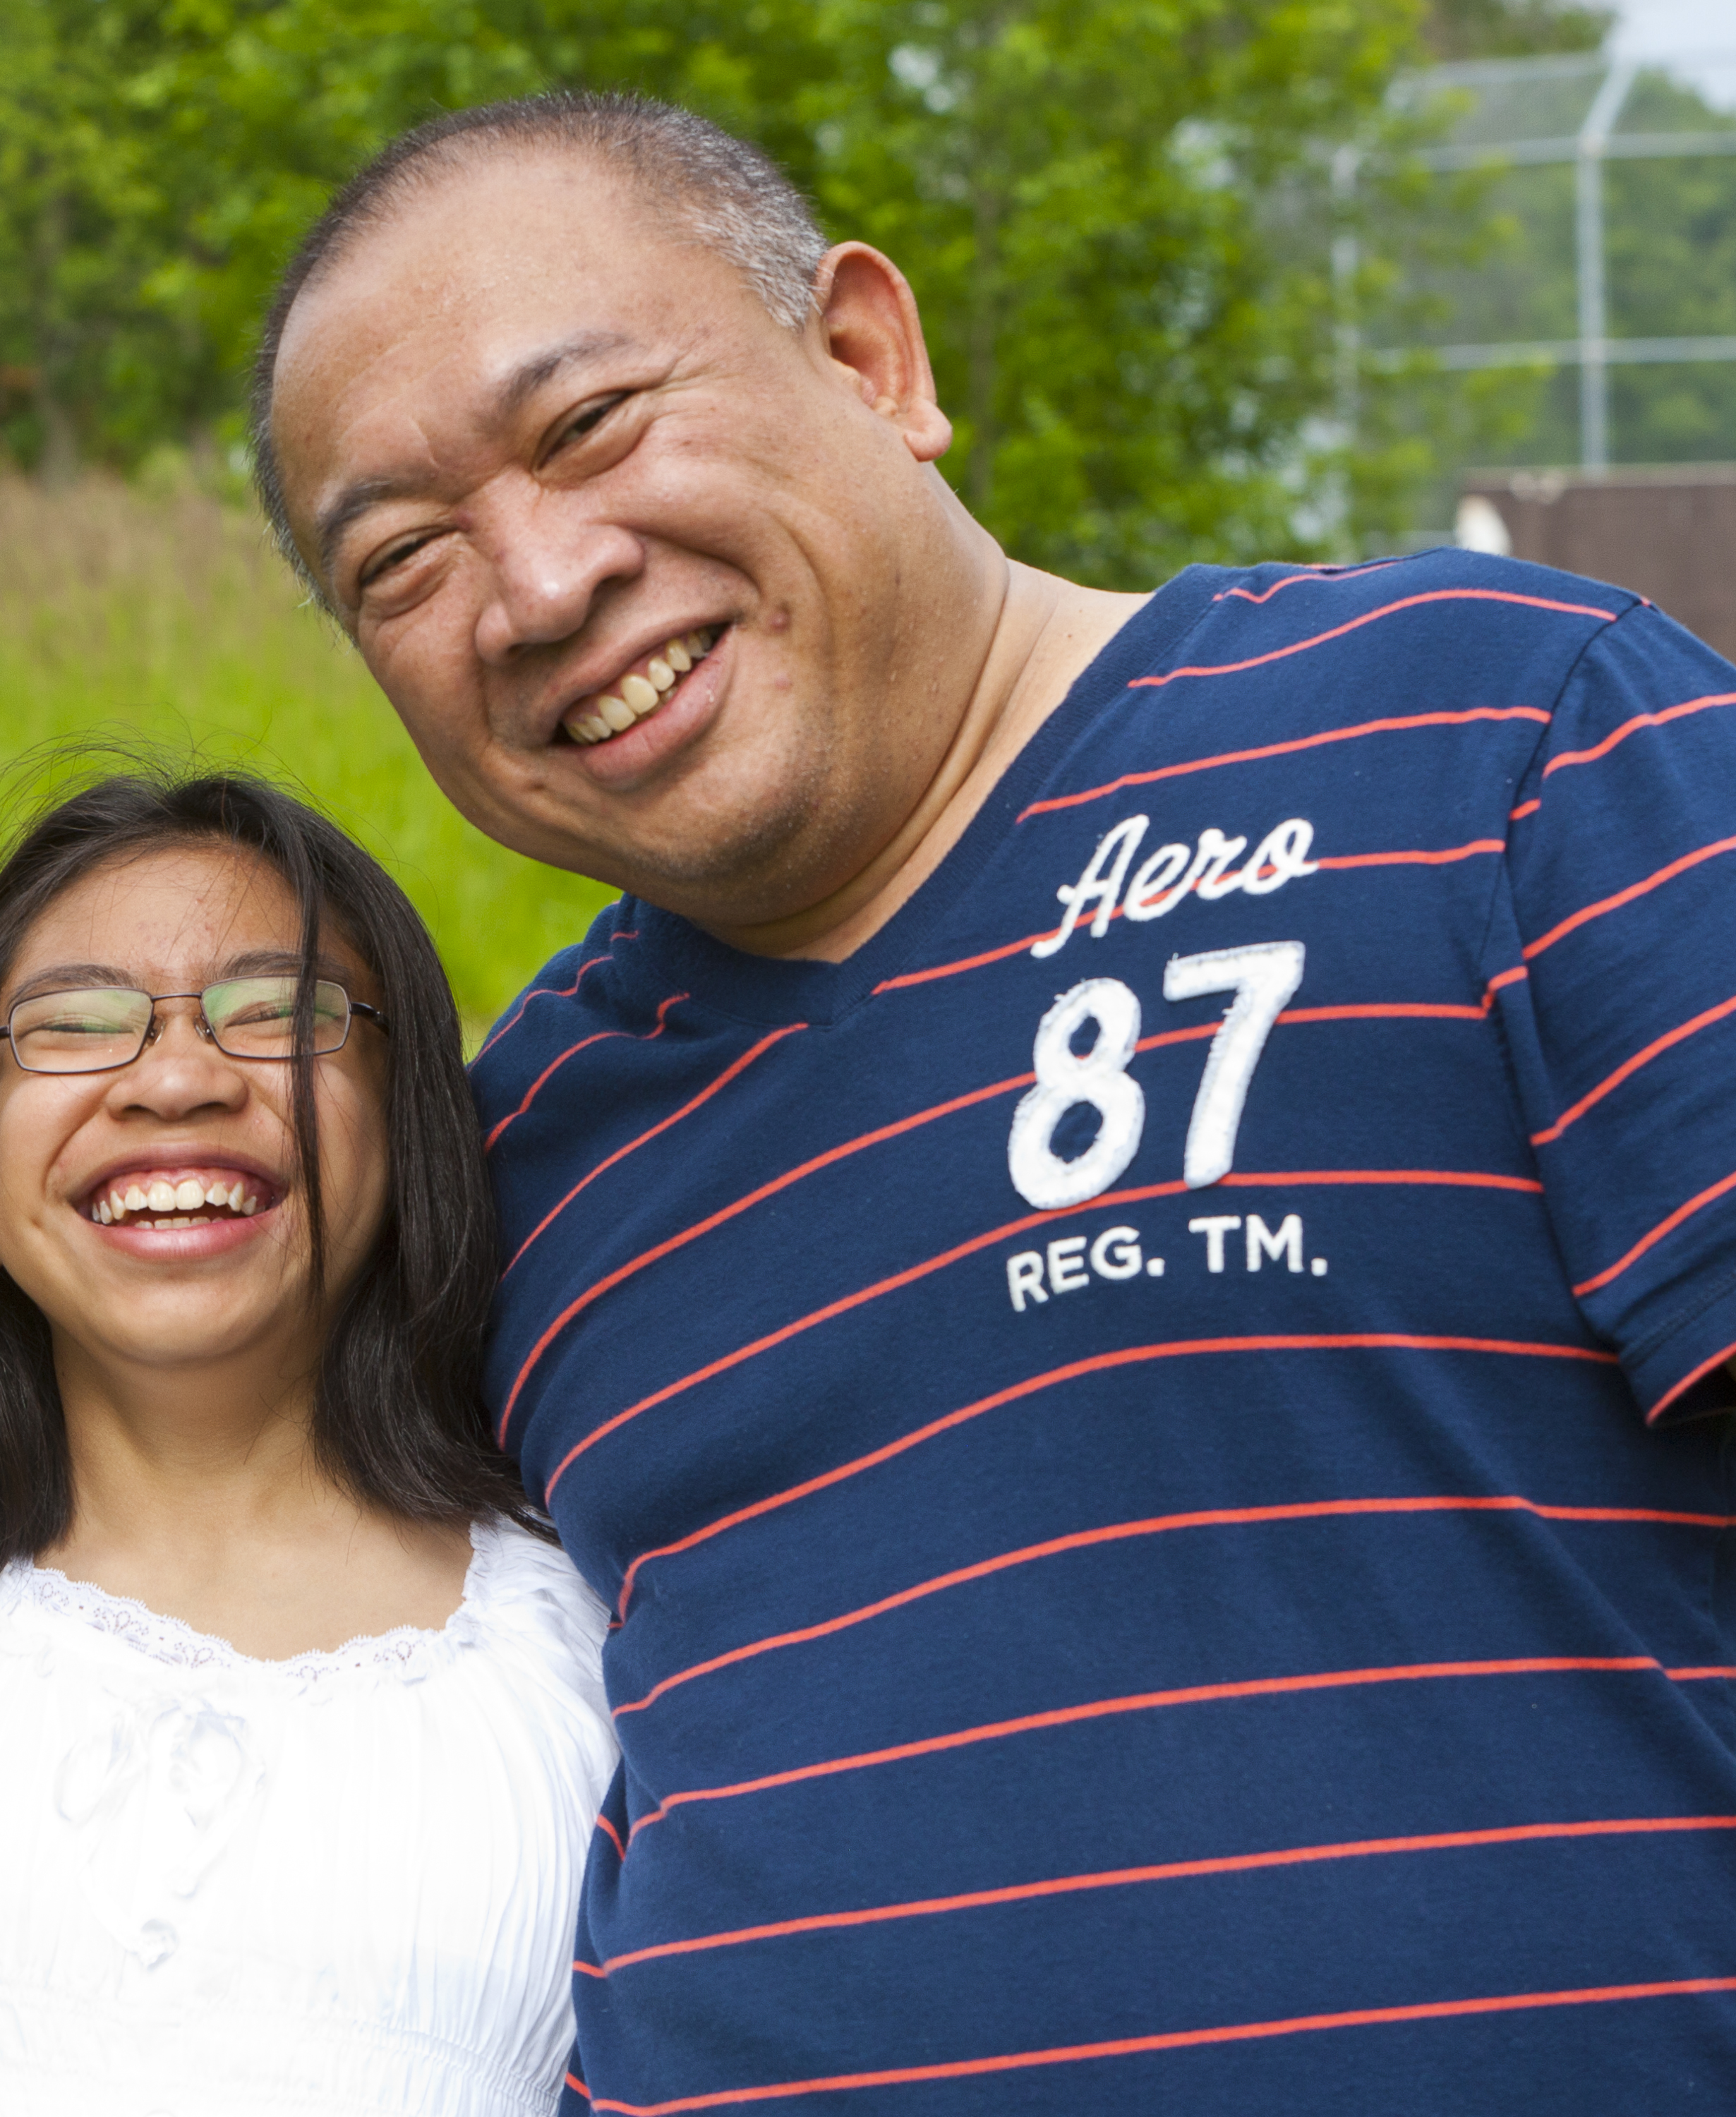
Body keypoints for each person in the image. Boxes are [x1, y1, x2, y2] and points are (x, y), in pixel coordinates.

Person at [253, 89, 1736, 2117]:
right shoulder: (507, 1156)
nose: (529, 585)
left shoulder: (1492, 735)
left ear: (869, 360)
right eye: (403, 560)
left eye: (590, 426)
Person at [0, 771, 617, 2116]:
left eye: (277, 1013)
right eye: (71, 1024)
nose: (176, 1078)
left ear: (407, 1131)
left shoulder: (593, 1605)